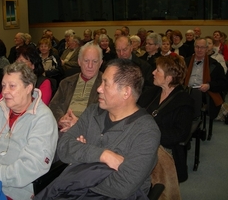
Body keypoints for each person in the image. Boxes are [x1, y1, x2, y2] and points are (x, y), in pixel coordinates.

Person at [48, 59, 160, 199]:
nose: (98, 89)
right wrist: (103, 155)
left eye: (105, 83)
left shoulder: (146, 132)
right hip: (74, 190)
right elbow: (64, 147)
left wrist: (81, 157)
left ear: (126, 92)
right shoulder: (93, 112)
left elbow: (122, 187)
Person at [0, 62, 58, 200]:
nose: (5, 91)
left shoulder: (43, 119)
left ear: (28, 88)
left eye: (12, 86)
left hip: (11, 190)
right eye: (3, 85)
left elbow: (33, 165)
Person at [138, 53, 194, 182]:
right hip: (143, 143)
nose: (153, 72)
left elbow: (179, 135)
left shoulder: (184, 102)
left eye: (157, 70)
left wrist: (149, 135)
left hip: (166, 150)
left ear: (168, 78)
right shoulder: (151, 93)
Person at [49, 43, 103, 132]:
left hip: (90, 131)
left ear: (100, 63)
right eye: (86, 61)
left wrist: (79, 123)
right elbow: (54, 105)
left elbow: (108, 113)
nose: (90, 65)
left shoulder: (106, 85)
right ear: (79, 62)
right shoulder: (66, 82)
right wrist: (61, 119)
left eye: (94, 61)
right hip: (64, 128)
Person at [184, 38, 228, 140]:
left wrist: (209, 85)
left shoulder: (214, 65)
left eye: (202, 47)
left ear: (207, 49)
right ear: (194, 48)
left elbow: (223, 83)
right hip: (186, 90)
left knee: (195, 94)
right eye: (197, 47)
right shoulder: (186, 62)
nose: (199, 49)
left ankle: (194, 121)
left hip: (204, 93)